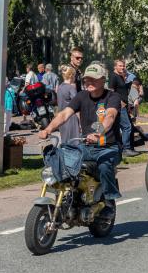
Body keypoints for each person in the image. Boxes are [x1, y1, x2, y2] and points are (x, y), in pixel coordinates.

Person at [39, 63, 122, 219]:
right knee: (63, 159)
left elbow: (110, 116)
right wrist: (48, 129)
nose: (89, 82)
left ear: (103, 80)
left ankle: (109, 203)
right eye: (86, 79)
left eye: (93, 79)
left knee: (104, 166)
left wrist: (98, 133)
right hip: (86, 146)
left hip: (109, 148)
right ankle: (68, 197)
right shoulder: (82, 96)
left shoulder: (112, 97)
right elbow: (64, 114)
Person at [109, 59, 139, 157]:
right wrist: (119, 103)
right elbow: (111, 92)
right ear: (115, 67)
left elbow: (123, 90)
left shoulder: (120, 76)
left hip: (124, 106)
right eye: (120, 66)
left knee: (121, 127)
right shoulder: (114, 77)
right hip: (119, 106)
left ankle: (120, 148)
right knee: (127, 127)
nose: (122, 67)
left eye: (123, 66)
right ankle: (126, 149)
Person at [56, 65, 81, 143]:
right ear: (71, 76)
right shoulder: (71, 88)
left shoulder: (59, 87)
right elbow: (76, 107)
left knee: (65, 141)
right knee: (74, 142)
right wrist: (80, 122)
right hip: (71, 118)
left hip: (61, 118)